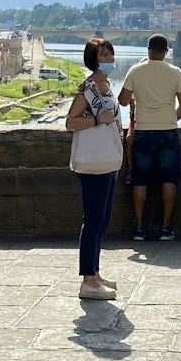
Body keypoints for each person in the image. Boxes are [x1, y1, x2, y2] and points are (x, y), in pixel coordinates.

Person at [65, 37, 121, 300]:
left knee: (102, 220)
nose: (109, 58)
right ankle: (88, 280)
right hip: (94, 164)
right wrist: (99, 119)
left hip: (108, 160)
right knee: (93, 221)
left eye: (110, 54)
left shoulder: (106, 86)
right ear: (94, 59)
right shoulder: (89, 89)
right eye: (104, 55)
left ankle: (95, 273)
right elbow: (71, 122)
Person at [118, 33, 181, 241]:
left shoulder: (135, 70)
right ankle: (166, 227)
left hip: (142, 130)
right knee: (169, 180)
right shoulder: (176, 72)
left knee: (140, 181)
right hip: (168, 130)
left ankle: (139, 227)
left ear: (148, 50)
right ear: (166, 52)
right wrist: (172, 117)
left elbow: (122, 100)